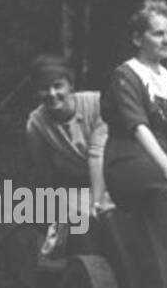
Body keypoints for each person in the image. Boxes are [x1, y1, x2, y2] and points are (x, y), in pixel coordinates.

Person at [101, 0, 167, 207]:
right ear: (137, 39)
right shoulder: (125, 75)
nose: (166, 40)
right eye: (158, 34)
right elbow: (139, 128)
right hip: (128, 162)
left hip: (162, 163)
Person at [24, 54, 110, 212]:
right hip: (75, 185)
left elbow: (97, 154)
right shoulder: (36, 124)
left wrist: (97, 202)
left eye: (58, 86)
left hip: (110, 174)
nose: (51, 93)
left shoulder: (97, 104)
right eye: (44, 88)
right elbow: (46, 170)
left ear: (70, 85)